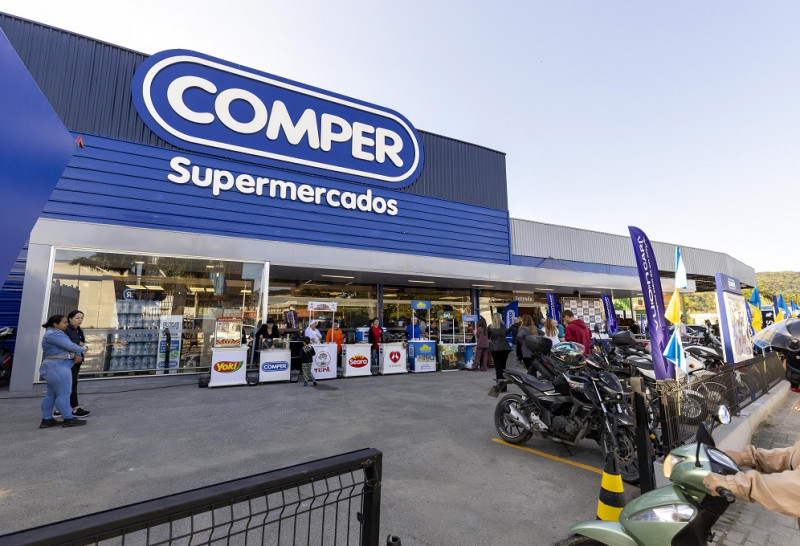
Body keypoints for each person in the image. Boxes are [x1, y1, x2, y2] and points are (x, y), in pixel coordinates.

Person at [39, 315, 88, 428]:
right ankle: (68, 419)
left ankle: (47, 419)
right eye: (64, 322)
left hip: (52, 367)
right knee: (64, 394)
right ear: (55, 324)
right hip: (58, 367)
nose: (66, 324)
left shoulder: (54, 333)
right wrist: (83, 348)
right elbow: (70, 346)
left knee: (51, 394)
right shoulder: (54, 334)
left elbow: (66, 348)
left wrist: (76, 353)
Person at [61, 310, 91, 418]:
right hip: (70, 360)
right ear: (70, 319)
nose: (80, 320)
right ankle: (75, 408)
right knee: (71, 384)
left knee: (70, 384)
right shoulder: (68, 329)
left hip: (76, 359)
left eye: (81, 318)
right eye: (77, 318)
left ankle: (61, 408)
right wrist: (84, 346)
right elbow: (75, 342)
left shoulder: (78, 329)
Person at [488, 314, 511, 387]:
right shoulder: (504, 327)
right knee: (503, 367)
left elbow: (488, 337)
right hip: (504, 347)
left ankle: (500, 385)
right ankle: (504, 385)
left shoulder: (490, 327)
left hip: (495, 347)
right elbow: (506, 334)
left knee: (498, 367)